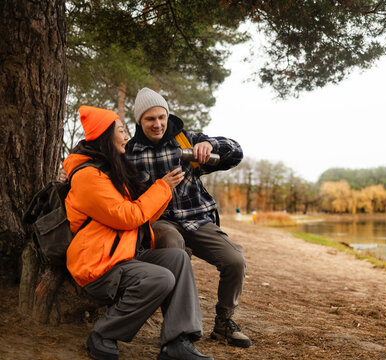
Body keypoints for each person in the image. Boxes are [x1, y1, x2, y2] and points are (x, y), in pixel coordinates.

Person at [63, 105, 213, 360]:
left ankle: (177, 341)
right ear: (105, 136)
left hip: (122, 254)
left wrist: (162, 192)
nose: (125, 137)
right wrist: (162, 187)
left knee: (178, 259)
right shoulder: (89, 177)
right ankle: (103, 333)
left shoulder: (109, 169)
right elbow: (127, 216)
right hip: (99, 264)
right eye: (121, 131)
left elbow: (138, 217)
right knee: (160, 278)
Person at [125, 88, 251, 348]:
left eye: (161, 116)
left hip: (197, 219)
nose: (158, 124)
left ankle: (223, 323)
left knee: (235, 260)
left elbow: (236, 152)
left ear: (167, 115)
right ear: (140, 121)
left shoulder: (187, 140)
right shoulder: (130, 152)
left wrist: (211, 145)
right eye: (150, 119)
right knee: (174, 251)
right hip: (160, 222)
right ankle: (178, 331)